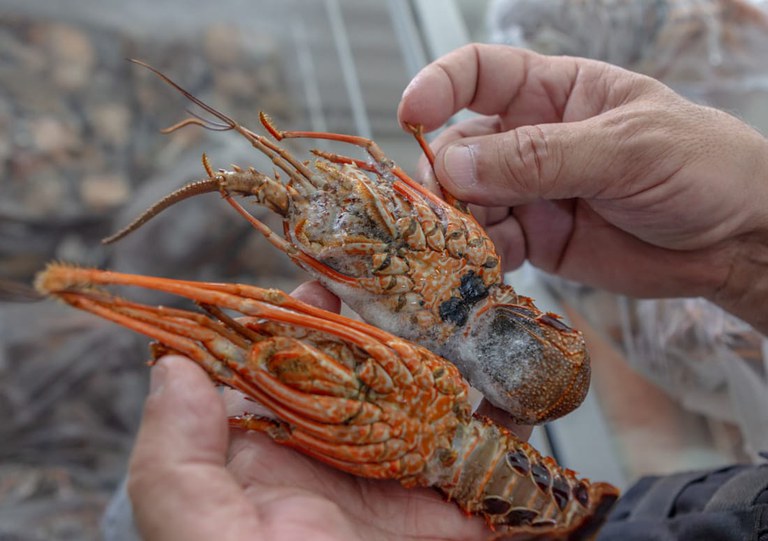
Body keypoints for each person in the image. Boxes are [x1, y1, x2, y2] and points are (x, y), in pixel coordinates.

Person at [125, 44, 768, 540]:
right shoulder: (465, 257)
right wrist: (744, 249)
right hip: (666, 507)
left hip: (640, 500)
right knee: (370, 182)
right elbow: (378, 163)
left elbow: (378, 165)